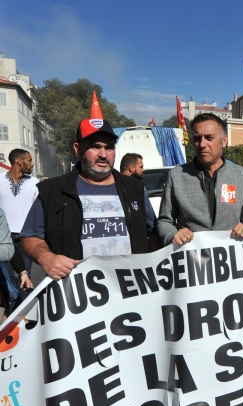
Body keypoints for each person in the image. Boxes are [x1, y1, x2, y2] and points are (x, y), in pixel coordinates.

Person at [21, 113, 157, 280]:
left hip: (130, 290)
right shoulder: (52, 191)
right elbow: (30, 237)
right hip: (79, 297)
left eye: (109, 147)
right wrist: (46, 258)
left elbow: (154, 232)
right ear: (78, 149)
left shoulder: (135, 188)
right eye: (94, 146)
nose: (103, 154)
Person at [157, 113, 243, 245]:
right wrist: (172, 235)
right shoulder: (177, 175)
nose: (202, 144)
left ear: (224, 141)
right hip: (192, 258)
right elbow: (164, 221)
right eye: (197, 138)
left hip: (231, 257)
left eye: (209, 138)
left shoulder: (240, 174)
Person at [0, 149, 38, 307]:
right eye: (29, 160)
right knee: (6, 279)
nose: (32, 163)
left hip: (25, 237)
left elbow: (39, 211)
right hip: (3, 240)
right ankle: (9, 318)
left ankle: (23, 317)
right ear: (18, 161)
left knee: (24, 276)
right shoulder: (0, 180)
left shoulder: (34, 183)